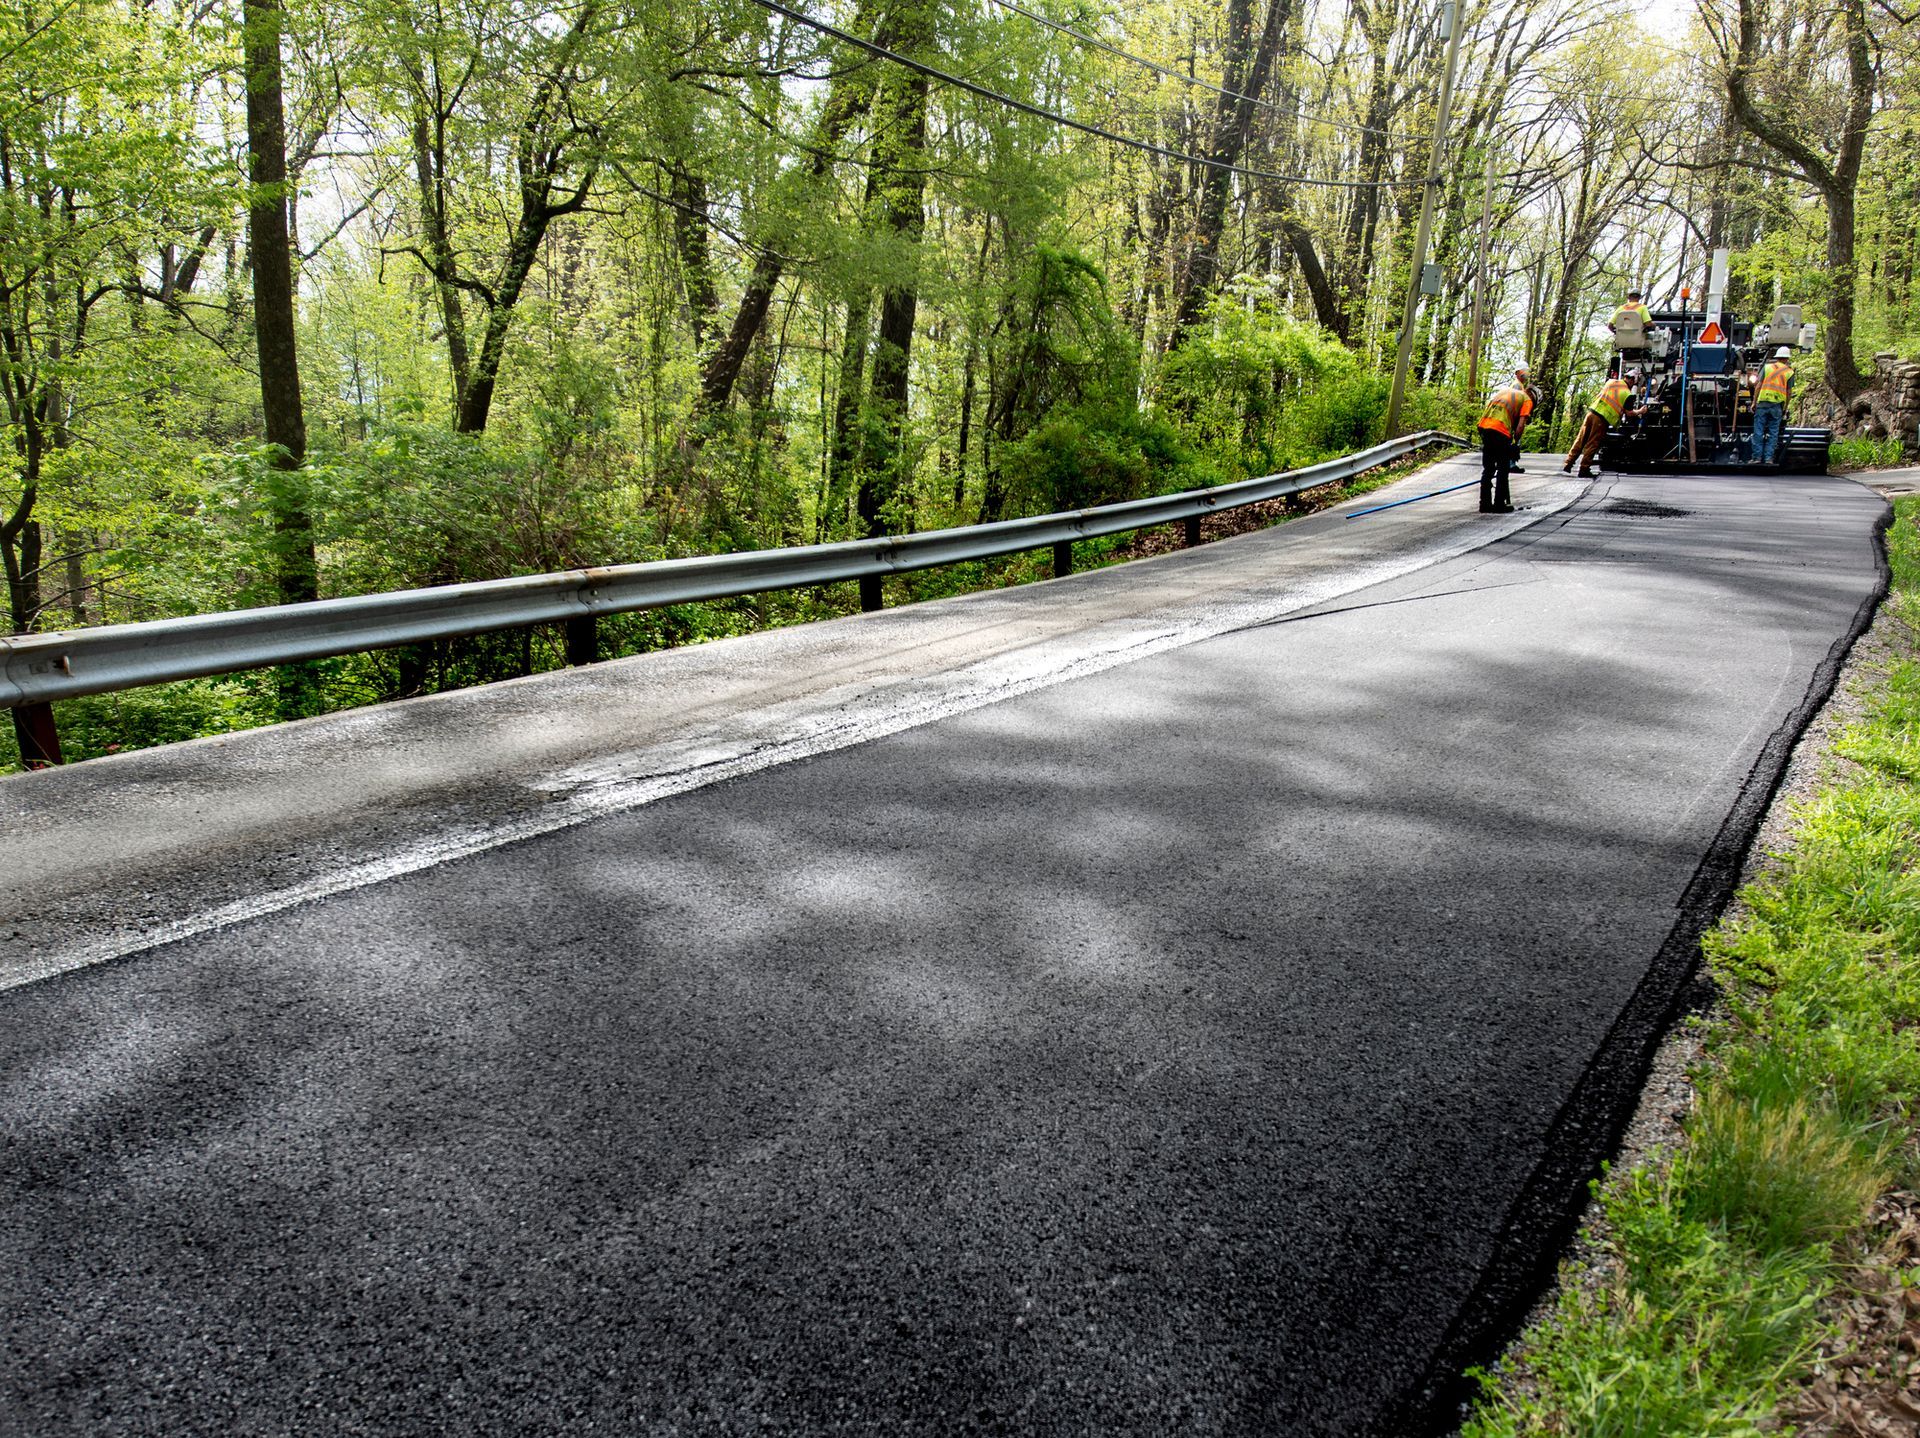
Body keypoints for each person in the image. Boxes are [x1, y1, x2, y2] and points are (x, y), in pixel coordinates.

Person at [1563, 369, 1645, 478]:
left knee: (1580, 439)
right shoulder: (1627, 394)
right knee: (1593, 443)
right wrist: (1640, 411)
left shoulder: (1611, 382)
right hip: (1601, 419)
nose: (1633, 384)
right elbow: (1629, 413)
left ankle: (1568, 463)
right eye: (1634, 382)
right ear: (1632, 380)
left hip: (1591, 413)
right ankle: (1584, 469)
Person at [1476, 368, 1533, 513]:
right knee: (1503, 467)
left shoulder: (1504, 391)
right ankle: (1499, 504)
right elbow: (1520, 426)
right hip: (1500, 430)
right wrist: (1515, 443)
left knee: (1488, 469)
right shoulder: (1527, 400)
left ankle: (1485, 504)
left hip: (1484, 427)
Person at [1749, 347, 1794, 465]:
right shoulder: (1789, 372)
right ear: (1787, 358)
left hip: (1763, 403)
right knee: (1773, 433)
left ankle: (1757, 458)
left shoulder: (1767, 368)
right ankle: (1769, 459)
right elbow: (1789, 392)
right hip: (1777, 406)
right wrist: (1785, 407)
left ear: (1777, 357)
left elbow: (1758, 386)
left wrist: (1754, 402)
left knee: (1758, 431)